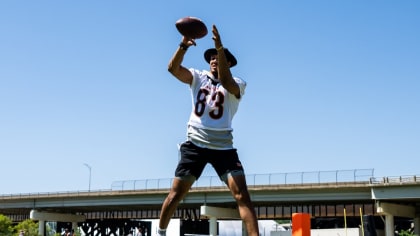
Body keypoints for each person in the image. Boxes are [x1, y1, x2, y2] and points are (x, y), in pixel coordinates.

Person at [158, 24, 259, 236]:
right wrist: (183, 45)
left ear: (228, 62)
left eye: (218, 57)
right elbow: (172, 69)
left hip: (223, 147)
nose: (213, 59)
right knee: (176, 194)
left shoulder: (237, 83)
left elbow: (226, 81)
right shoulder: (198, 77)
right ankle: (160, 232)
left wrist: (220, 47)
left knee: (242, 196)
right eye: (211, 57)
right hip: (195, 144)